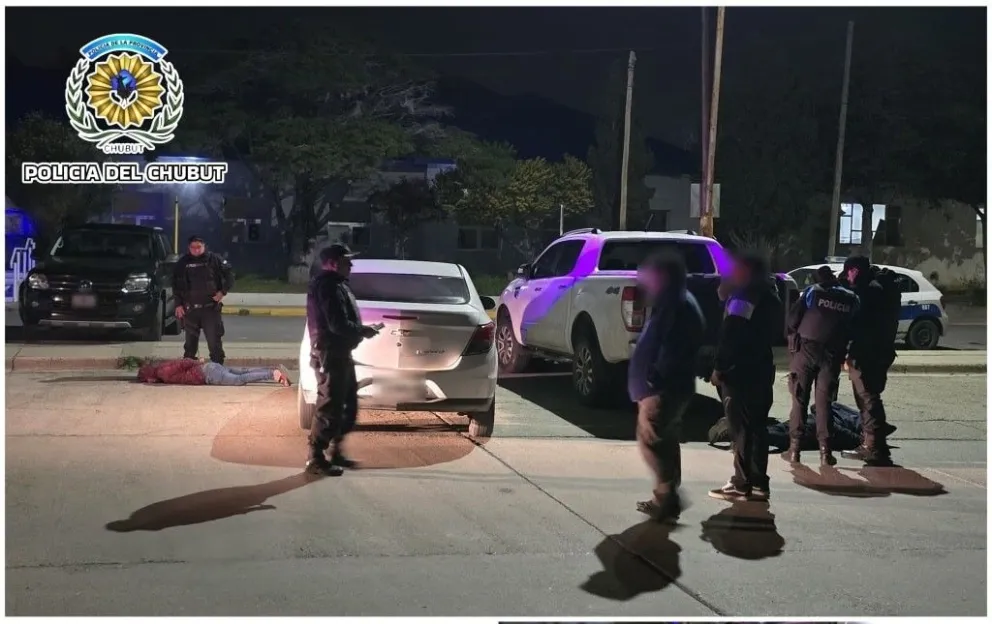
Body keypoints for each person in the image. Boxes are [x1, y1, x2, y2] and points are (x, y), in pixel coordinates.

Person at [628, 251, 705, 522]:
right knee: (665, 439)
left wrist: (654, 378)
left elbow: (673, 348)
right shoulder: (673, 301)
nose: (645, 280)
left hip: (663, 389)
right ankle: (665, 496)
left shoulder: (677, 305)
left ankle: (667, 496)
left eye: (650, 274)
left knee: (654, 441)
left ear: (664, 276)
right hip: (665, 387)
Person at [708, 252, 781, 502]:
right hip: (762, 368)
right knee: (757, 427)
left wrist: (719, 368)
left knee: (741, 429)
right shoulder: (770, 295)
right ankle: (759, 481)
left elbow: (732, 332)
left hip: (740, 372)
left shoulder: (744, 295)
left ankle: (741, 483)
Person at [305, 243, 381, 476]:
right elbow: (336, 324)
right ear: (332, 263)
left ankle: (336, 451)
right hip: (330, 354)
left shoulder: (338, 285)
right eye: (346, 261)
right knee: (330, 405)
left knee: (347, 404)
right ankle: (316, 457)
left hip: (341, 353)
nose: (351, 265)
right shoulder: (326, 286)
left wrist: (360, 330)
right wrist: (363, 330)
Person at [785, 268, 860, 466]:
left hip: (806, 350)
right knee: (824, 404)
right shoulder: (851, 298)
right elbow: (855, 328)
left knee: (799, 400)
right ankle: (825, 453)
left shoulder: (812, 292)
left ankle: (794, 450)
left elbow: (792, 320)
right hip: (833, 354)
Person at [840, 256, 898, 465]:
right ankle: (875, 444)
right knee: (869, 397)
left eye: (848, 271)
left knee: (868, 398)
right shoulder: (877, 289)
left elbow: (857, 323)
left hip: (867, 353)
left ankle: (872, 447)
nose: (847, 276)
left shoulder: (868, 291)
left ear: (855, 270)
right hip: (878, 351)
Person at [173, 236, 234, 364]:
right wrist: (178, 304)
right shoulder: (183, 262)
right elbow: (176, 285)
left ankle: (217, 369)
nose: (196, 250)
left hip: (210, 309)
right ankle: (189, 369)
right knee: (190, 346)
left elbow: (229, 276)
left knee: (214, 343)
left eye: (199, 247)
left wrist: (222, 292)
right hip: (190, 310)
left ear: (204, 246)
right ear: (189, 248)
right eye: (193, 247)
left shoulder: (214, 259)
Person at [137, 359, 291, 387]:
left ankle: (273, 374)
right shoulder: (162, 370)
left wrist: (197, 362)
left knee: (239, 380)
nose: (149, 382)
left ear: (149, 376)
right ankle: (271, 370)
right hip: (208, 368)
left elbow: (183, 363)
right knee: (240, 372)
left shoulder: (163, 372)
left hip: (207, 374)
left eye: (146, 380)